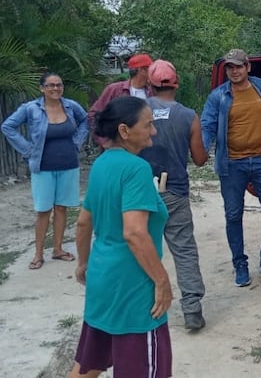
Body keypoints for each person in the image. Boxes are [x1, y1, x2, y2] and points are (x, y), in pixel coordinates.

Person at [69, 96, 172, 378]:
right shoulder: (136, 169)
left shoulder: (102, 164)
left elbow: (83, 222)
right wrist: (162, 281)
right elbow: (135, 233)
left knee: (88, 365)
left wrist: (83, 263)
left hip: (102, 282)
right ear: (125, 131)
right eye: (148, 125)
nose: (153, 131)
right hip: (134, 289)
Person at [200, 48, 261, 286]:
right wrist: (201, 147)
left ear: (248, 67)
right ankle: (240, 265)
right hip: (231, 163)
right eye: (230, 67)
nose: (234, 71)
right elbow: (207, 124)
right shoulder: (218, 96)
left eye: (238, 66)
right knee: (233, 214)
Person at [139, 59, 209, 330]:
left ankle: (145, 307)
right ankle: (192, 309)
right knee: (184, 250)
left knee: (140, 247)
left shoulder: (137, 112)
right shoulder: (189, 116)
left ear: (149, 84)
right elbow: (200, 159)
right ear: (176, 83)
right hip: (175, 192)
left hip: (141, 193)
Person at [1, 72, 89, 270]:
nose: (55, 88)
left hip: (69, 164)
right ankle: (38, 254)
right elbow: (8, 127)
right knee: (43, 210)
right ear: (42, 88)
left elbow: (86, 121)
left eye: (59, 85)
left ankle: (57, 249)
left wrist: (77, 142)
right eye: (50, 85)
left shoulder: (70, 106)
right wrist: (27, 149)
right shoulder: (31, 109)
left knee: (61, 208)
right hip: (43, 166)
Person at [88, 53, 154, 148]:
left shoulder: (152, 92)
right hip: (117, 149)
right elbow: (94, 114)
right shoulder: (114, 90)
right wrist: (103, 141)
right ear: (142, 70)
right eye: (150, 69)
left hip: (144, 148)